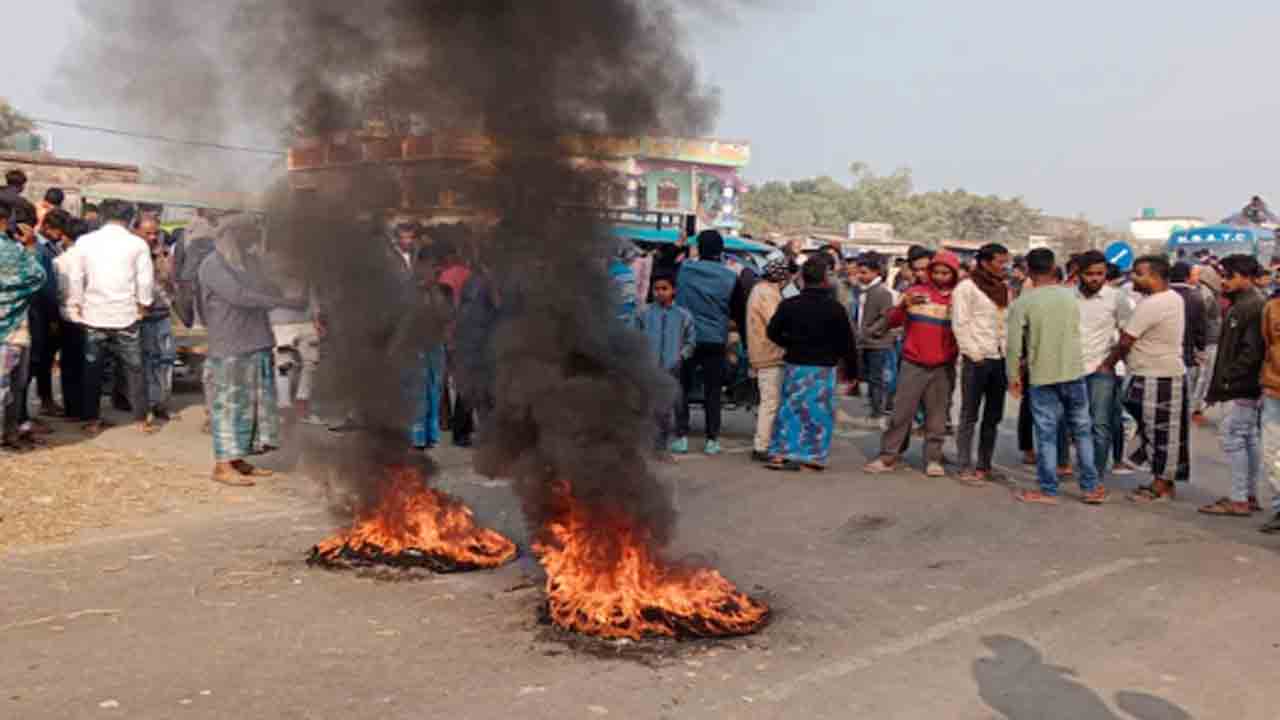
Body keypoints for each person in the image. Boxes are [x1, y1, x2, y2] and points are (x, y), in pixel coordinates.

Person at [199, 216, 303, 486]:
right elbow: (239, 296)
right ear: (229, 235)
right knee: (230, 407)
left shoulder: (248, 262)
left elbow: (268, 285)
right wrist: (283, 302)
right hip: (230, 345)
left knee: (253, 408)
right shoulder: (212, 264)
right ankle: (223, 465)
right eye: (246, 236)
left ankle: (238, 458)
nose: (252, 242)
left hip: (256, 341)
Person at [1006, 249, 1106, 505]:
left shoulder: (1022, 303)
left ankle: (1049, 489)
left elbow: (1014, 346)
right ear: (1053, 268)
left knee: (1047, 434)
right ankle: (1091, 487)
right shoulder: (1071, 297)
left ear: (1028, 270)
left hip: (1042, 376)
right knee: (1083, 431)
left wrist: (1012, 376)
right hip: (1074, 372)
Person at [1098, 255, 1190, 503]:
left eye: (1139, 273)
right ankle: (1163, 481)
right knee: (1162, 431)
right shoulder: (1172, 299)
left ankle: (1161, 484)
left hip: (1156, 375)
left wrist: (1106, 364)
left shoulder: (1154, 304)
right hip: (1156, 372)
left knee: (1160, 432)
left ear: (1155, 276)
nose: (1133, 278)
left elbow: (1127, 339)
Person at [864, 250, 961, 477]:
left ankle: (933, 459)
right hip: (913, 363)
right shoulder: (914, 293)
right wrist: (903, 305)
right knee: (901, 412)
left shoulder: (958, 298)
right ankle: (888, 455)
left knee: (937, 415)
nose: (939, 276)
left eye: (945, 273)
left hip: (943, 365)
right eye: (935, 272)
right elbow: (893, 320)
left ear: (954, 274)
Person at [66, 200, 153, 436]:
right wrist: (143, 305)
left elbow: (75, 277)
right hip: (126, 315)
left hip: (94, 313)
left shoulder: (85, 242)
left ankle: (92, 419)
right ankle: (141, 419)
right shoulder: (137, 244)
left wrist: (76, 304)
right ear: (130, 218)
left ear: (102, 217)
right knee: (134, 368)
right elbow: (144, 281)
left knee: (92, 367)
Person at [764, 254, 856, 471]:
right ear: (826, 280)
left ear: (802, 279)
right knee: (818, 412)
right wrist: (852, 371)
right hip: (823, 369)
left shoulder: (789, 305)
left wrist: (790, 343)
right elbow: (847, 342)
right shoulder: (835, 308)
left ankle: (780, 453)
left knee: (789, 408)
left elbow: (772, 332)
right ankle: (812, 456)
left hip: (795, 365)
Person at [1197, 255, 1266, 517]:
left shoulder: (1250, 307)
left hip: (1240, 386)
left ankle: (1239, 499)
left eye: (1229, 276)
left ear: (1244, 276)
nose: (1224, 281)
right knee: (1247, 439)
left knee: (1234, 439)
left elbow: (1250, 353)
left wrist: (1226, 381)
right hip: (1243, 386)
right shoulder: (1244, 305)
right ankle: (1247, 495)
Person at [673, 229, 744, 456]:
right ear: (721, 250)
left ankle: (681, 437)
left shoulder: (684, 270)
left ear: (699, 249)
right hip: (715, 339)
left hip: (686, 338)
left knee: (682, 387)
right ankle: (711, 440)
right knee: (713, 391)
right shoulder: (731, 277)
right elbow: (738, 311)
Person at [952, 243, 1011, 485]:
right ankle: (964, 465)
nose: (1004, 266)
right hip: (976, 358)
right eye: (1000, 261)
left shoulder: (1004, 289)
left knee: (993, 416)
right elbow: (960, 324)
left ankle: (984, 465)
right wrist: (973, 353)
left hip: (999, 358)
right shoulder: (966, 288)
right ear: (985, 262)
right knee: (969, 415)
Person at [1075, 250, 1131, 483]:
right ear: (1079, 274)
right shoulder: (1068, 298)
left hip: (1101, 370)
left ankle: (1094, 475)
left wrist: (1112, 363)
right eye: (1090, 274)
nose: (1095, 279)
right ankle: (1079, 465)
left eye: (1100, 274)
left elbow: (1128, 333)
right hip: (1072, 369)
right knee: (1077, 424)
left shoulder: (1116, 298)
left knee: (1100, 423)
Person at [0, 204, 46, 450]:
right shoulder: (15, 251)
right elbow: (38, 278)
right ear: (6, 221)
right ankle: (9, 433)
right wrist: (30, 247)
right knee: (12, 387)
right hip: (11, 329)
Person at [637, 273, 696, 457]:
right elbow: (635, 336)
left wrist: (681, 356)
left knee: (671, 405)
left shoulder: (683, 316)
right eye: (656, 289)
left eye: (665, 289)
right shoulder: (643, 313)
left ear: (673, 291)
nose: (660, 293)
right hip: (649, 367)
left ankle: (669, 441)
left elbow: (690, 341)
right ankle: (653, 443)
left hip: (673, 368)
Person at [745, 258, 789, 462]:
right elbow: (776, 323)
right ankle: (762, 445)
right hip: (769, 354)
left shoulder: (759, 290)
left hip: (762, 353)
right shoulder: (768, 293)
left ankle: (764, 443)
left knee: (769, 401)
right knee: (770, 402)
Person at [135, 216, 177, 423]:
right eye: (147, 233)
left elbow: (173, 283)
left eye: (155, 233)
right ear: (136, 232)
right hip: (141, 317)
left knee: (166, 358)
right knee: (146, 361)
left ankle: (162, 403)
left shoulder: (164, 254)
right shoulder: (132, 254)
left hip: (163, 315)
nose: (152, 237)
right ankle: (148, 405)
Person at [29, 209, 69, 419]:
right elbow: (45, 287)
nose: (60, 234)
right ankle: (44, 401)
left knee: (45, 357)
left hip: (48, 311)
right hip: (42, 312)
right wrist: (53, 317)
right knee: (42, 359)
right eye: (57, 230)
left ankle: (46, 400)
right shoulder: (40, 249)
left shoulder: (51, 247)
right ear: (46, 227)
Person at [852, 253, 897, 428]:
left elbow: (886, 318)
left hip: (877, 341)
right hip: (866, 340)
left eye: (863, 272)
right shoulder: (864, 291)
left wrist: (868, 332)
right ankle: (874, 406)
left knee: (876, 377)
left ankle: (878, 410)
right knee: (870, 377)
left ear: (875, 272)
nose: (859, 276)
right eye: (859, 272)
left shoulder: (882, 292)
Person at [1190, 264, 1222, 424]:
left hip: (1207, 340)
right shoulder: (1207, 293)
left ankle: (1196, 407)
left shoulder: (1204, 293)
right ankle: (1196, 408)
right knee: (1203, 376)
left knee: (1202, 376)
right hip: (1208, 340)